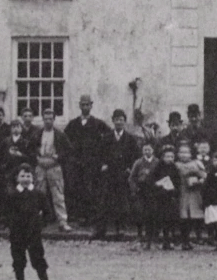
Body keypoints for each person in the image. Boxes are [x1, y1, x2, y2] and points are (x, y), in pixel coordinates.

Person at [4, 163, 64, 280]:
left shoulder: (38, 194)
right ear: (17, 178)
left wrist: (39, 224)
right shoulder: (12, 195)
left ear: (33, 178)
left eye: (28, 176)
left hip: (33, 234)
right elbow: (6, 214)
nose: (25, 179)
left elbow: (48, 213)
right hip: (17, 234)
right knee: (18, 263)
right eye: (22, 176)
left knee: (39, 261)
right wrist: (12, 226)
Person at [65, 94, 111, 227]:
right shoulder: (73, 124)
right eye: (83, 105)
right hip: (76, 163)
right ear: (80, 106)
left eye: (87, 105)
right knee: (76, 188)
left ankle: (91, 217)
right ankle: (79, 216)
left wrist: (102, 159)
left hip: (92, 163)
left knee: (91, 189)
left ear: (91, 106)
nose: (85, 107)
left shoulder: (98, 124)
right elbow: (65, 141)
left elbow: (109, 138)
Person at [97, 108, 140, 239]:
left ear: (125, 121)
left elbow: (136, 156)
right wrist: (103, 164)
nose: (119, 122)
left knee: (122, 202)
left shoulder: (130, 139)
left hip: (123, 174)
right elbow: (99, 154)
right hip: (109, 173)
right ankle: (101, 230)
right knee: (105, 201)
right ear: (113, 121)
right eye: (116, 120)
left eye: (121, 120)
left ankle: (121, 228)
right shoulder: (106, 138)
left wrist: (130, 168)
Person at [30, 107, 74, 232]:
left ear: (54, 120)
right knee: (39, 194)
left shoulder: (60, 134)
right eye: (46, 119)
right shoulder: (37, 134)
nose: (48, 121)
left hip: (54, 167)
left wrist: (58, 157)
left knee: (58, 195)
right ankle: (37, 221)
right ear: (43, 120)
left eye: (50, 119)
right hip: (40, 167)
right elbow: (30, 148)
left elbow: (69, 150)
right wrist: (36, 157)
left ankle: (62, 222)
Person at [147, 144, 181, 250]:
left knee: (169, 220)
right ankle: (153, 241)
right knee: (157, 219)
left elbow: (178, 182)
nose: (169, 159)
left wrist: (174, 190)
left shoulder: (174, 168)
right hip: (159, 197)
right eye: (167, 156)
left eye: (172, 157)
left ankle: (167, 241)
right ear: (162, 157)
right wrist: (158, 185)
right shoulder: (157, 168)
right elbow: (151, 181)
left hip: (170, 197)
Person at [175, 142, 206, 250]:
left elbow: (204, 176)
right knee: (183, 216)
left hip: (194, 193)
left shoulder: (196, 164)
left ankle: (195, 237)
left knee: (193, 216)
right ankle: (184, 240)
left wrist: (199, 181)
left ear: (191, 154)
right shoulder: (176, 165)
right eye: (181, 152)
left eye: (186, 152)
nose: (184, 155)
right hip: (182, 192)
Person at [129, 140, 160, 245]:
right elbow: (131, 178)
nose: (147, 152)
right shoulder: (138, 162)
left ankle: (153, 235)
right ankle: (139, 234)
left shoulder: (157, 162)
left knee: (153, 213)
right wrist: (135, 189)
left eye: (149, 150)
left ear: (153, 150)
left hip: (154, 190)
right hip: (141, 190)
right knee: (140, 212)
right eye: (145, 150)